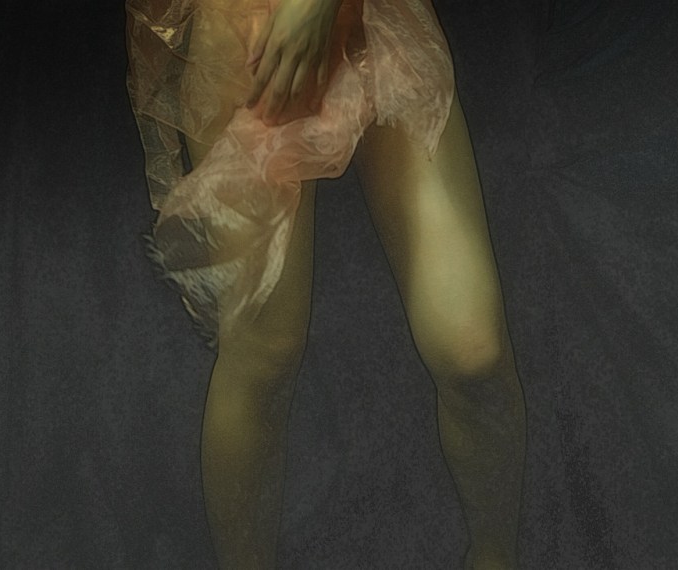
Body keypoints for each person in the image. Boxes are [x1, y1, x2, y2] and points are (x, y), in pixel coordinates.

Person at [126, 0, 526, 567]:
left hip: (375, 15)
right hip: (247, 28)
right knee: (265, 355)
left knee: (472, 350)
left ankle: (495, 559)